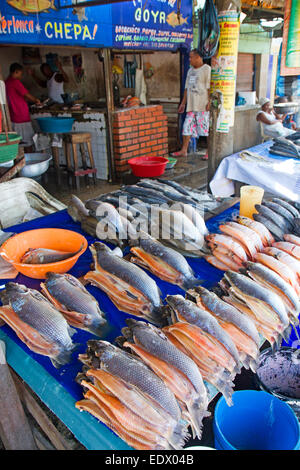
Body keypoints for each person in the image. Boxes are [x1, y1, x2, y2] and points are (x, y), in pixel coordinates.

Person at [171, 49, 211, 159]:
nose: (189, 59)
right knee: (186, 127)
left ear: (198, 57)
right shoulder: (190, 71)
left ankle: (209, 151)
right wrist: (183, 104)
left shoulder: (207, 69)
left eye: (191, 57)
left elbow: (209, 88)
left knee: (206, 129)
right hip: (191, 106)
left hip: (202, 105)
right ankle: (184, 150)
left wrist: (209, 102)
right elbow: (186, 88)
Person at [5, 63, 41, 152]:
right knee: (27, 142)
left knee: (18, 143)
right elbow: (26, 94)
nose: (21, 76)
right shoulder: (15, 82)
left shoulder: (6, 82)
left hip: (13, 116)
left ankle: (23, 161)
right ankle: (30, 161)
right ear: (16, 72)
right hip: (21, 116)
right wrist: (36, 100)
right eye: (20, 74)